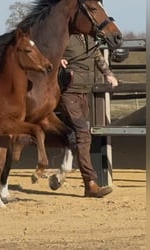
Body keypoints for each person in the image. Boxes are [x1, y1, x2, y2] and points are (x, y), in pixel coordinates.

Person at [57, 34, 118, 197]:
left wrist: (108, 74)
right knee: (84, 134)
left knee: (74, 134)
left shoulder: (90, 38)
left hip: (84, 92)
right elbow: (48, 52)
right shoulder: (65, 36)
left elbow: (97, 55)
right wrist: (58, 60)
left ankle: (62, 170)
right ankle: (90, 183)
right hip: (68, 93)